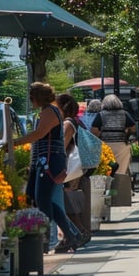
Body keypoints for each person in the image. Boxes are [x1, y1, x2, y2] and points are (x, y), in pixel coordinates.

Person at [13, 82, 84, 252]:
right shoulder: (50, 111)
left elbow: (39, 134)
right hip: (46, 160)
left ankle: (46, 239)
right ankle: (71, 235)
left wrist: (16, 142)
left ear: (38, 97)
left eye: (32, 97)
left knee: (42, 200)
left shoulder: (48, 112)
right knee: (43, 200)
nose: (31, 101)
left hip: (50, 161)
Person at [56, 92, 92, 246]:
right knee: (65, 199)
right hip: (78, 166)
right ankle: (74, 233)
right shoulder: (76, 121)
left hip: (71, 166)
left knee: (65, 199)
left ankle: (79, 232)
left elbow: (61, 147)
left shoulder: (67, 124)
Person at [91, 94, 135, 175]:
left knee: (107, 169)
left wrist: (102, 134)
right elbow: (133, 128)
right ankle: (119, 185)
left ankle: (108, 185)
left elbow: (94, 131)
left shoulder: (101, 114)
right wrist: (126, 132)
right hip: (121, 145)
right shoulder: (125, 114)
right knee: (120, 170)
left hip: (105, 145)